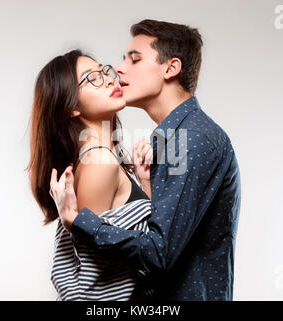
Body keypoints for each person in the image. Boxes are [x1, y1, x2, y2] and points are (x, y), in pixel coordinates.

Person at [50, 19, 241, 301]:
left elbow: (158, 253)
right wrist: (149, 187)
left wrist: (79, 222)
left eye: (134, 59)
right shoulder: (167, 139)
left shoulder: (192, 139)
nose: (118, 69)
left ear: (170, 68)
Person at [27, 49, 155, 300]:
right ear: (72, 106)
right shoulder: (100, 164)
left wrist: (145, 183)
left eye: (103, 70)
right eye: (92, 77)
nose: (109, 78)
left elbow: (127, 245)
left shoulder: (103, 159)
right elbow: (97, 285)